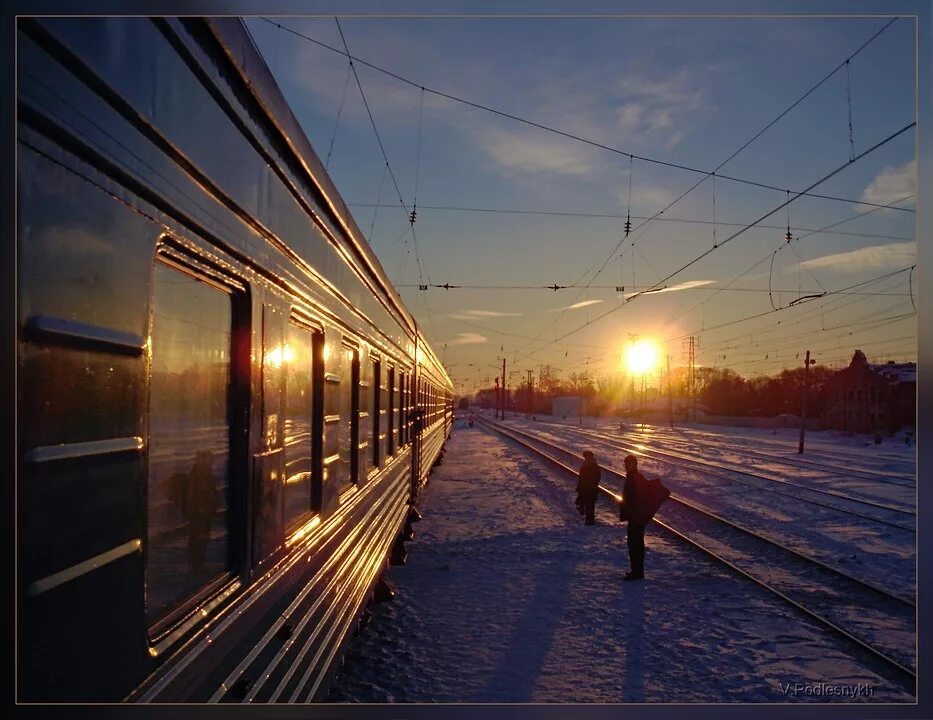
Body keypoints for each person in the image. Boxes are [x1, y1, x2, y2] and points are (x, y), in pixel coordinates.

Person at [621, 454, 647, 581]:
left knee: (636, 545)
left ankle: (637, 572)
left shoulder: (636, 478)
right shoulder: (631, 477)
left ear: (635, 465)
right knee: (633, 545)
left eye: (629, 464)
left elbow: (638, 498)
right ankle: (636, 571)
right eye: (626, 464)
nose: (626, 466)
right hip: (634, 517)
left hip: (637, 517)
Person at [576, 450, 601, 526]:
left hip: (591, 489)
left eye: (589, 457)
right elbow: (581, 478)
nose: (587, 458)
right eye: (586, 457)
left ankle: (590, 521)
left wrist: (592, 484)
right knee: (588, 505)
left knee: (590, 505)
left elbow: (597, 477)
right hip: (585, 488)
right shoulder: (585, 465)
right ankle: (589, 520)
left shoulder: (594, 466)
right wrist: (579, 487)